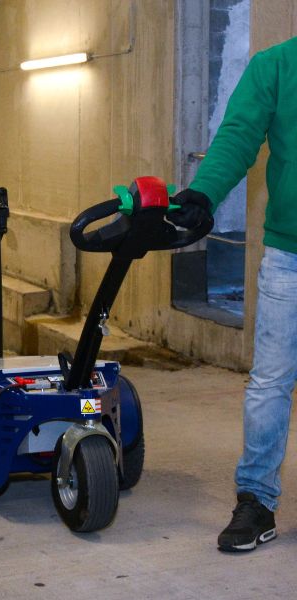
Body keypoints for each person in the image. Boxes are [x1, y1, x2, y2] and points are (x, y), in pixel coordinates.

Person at [170, 36, 297, 552]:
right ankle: (256, 502)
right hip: (291, 257)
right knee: (270, 383)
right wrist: (204, 192)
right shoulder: (276, 65)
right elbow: (239, 134)